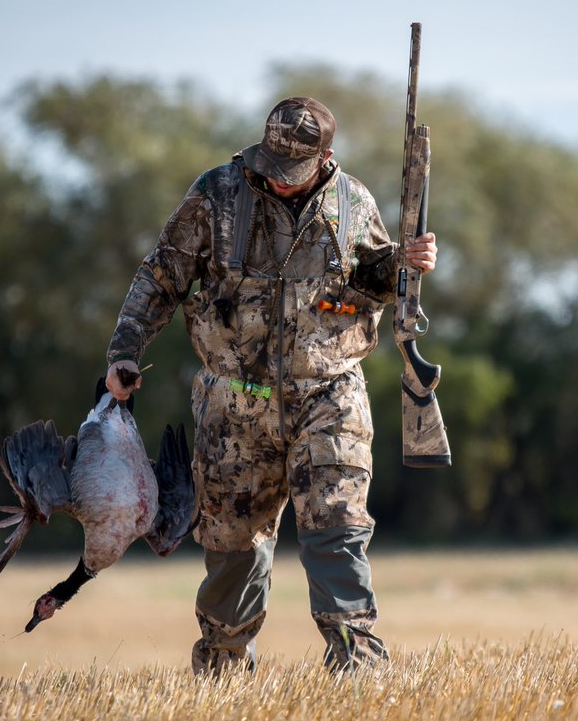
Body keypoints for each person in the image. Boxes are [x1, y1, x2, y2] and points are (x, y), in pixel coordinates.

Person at [103, 97, 437, 674]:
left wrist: (404, 263)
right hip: (234, 402)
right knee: (232, 546)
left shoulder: (353, 201)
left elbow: (374, 278)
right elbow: (161, 276)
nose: (277, 181)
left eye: (292, 170)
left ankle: (358, 670)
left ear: (325, 158)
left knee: (337, 529)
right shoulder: (215, 194)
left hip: (330, 396)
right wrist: (124, 350)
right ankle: (224, 674)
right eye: (270, 164)